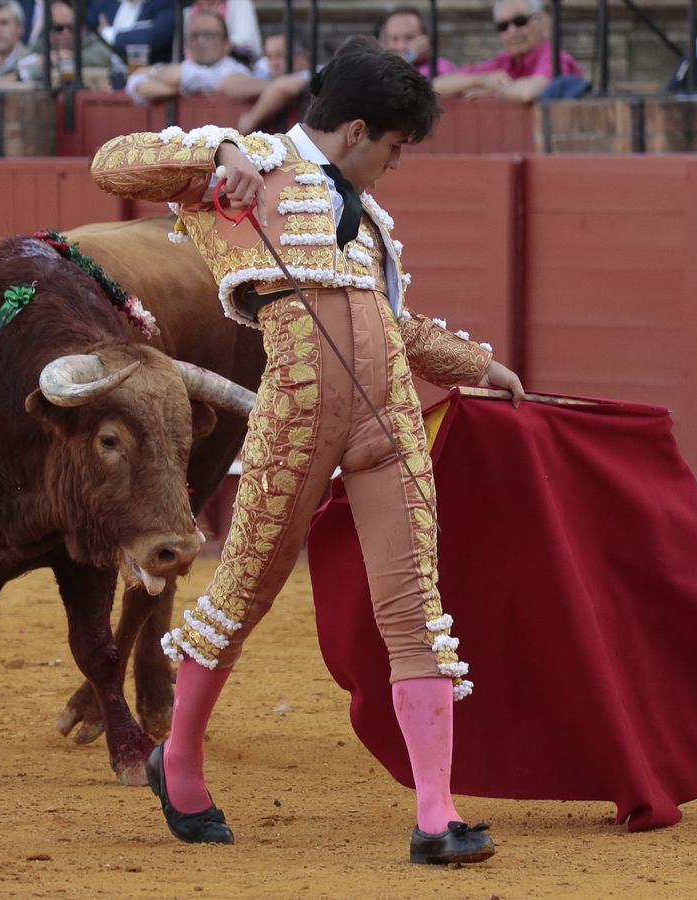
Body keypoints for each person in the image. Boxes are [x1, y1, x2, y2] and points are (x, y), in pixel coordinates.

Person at [90, 35, 525, 864]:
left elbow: (391, 326)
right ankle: (177, 760)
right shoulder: (245, 164)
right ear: (357, 130)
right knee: (243, 595)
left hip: (386, 416)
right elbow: (114, 162)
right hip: (295, 412)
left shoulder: (373, 231)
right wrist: (218, 148)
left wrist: (477, 365)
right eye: (395, 147)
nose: (395, 166)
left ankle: (437, 813)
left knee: (415, 606)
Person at [432, 0, 584, 103]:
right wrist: (480, 80)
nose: (512, 31)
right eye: (503, 26)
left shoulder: (554, 56)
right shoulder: (503, 61)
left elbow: (527, 93)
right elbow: (437, 86)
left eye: (520, 22)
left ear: (540, 21)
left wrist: (491, 92)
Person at [124, 8, 250, 103]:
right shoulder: (186, 66)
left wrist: (153, 72)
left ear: (227, 44)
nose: (200, 41)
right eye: (194, 35)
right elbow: (135, 81)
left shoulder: (238, 71)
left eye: (209, 34)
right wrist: (177, 91)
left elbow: (190, 76)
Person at [17, 0, 115, 86]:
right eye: (58, 28)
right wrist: (46, 59)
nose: (65, 33)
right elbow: (21, 66)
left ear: (82, 28)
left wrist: (62, 59)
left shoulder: (94, 45)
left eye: (72, 27)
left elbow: (103, 57)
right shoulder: (43, 45)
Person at [87, 0, 176, 65]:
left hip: (147, 75)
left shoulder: (166, 4)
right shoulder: (105, 3)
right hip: (103, 67)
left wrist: (109, 33)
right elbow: (87, 27)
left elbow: (150, 39)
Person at [380, 5, 455, 75]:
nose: (401, 46)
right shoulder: (380, 70)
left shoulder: (440, 67)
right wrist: (410, 56)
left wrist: (410, 56)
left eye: (409, 37)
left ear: (425, 39)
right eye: (394, 39)